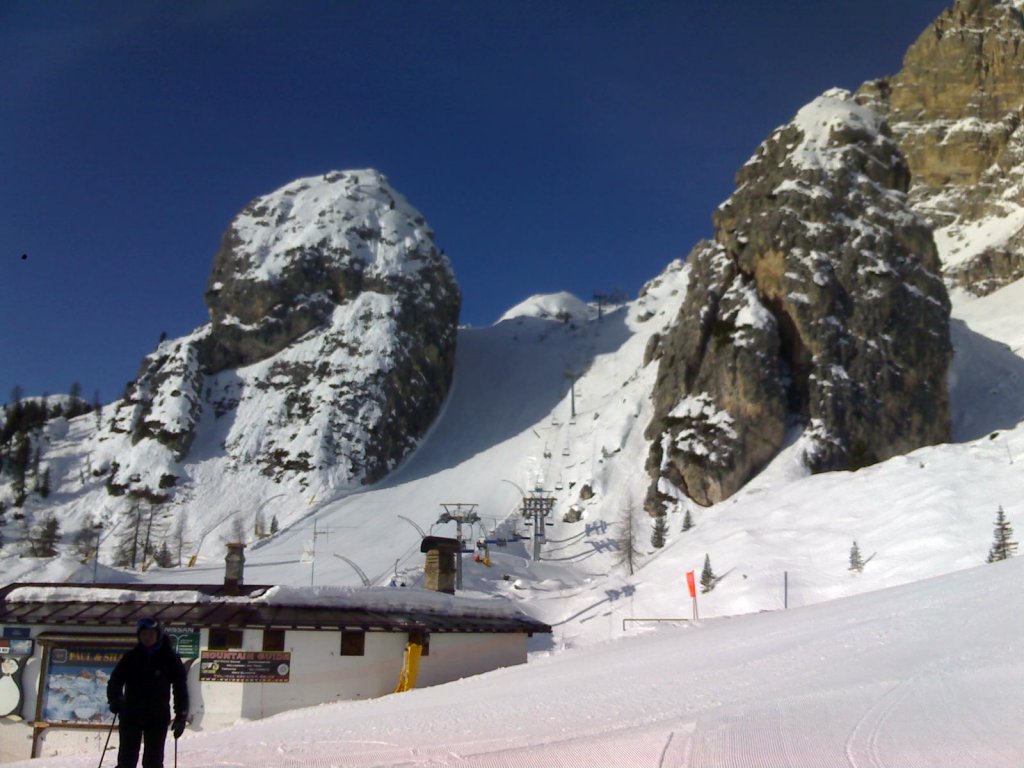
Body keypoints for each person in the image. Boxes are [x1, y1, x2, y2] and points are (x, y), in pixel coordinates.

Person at [107, 618, 189, 768]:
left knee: (153, 761)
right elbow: (115, 680)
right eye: (144, 634)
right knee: (126, 760)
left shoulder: (170, 659)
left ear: (158, 635)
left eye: (150, 634)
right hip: (131, 714)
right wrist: (114, 699)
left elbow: (180, 688)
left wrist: (181, 715)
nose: (147, 637)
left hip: (157, 716)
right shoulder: (131, 657)